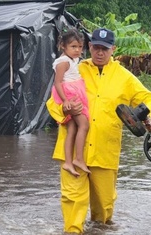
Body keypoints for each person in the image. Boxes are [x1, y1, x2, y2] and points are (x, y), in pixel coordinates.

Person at [46, 27, 151, 234]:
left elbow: (148, 99)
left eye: (105, 49)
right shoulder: (75, 68)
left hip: (105, 151)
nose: (100, 53)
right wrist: (63, 108)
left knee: (104, 209)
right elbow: (53, 98)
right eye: (96, 48)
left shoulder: (124, 77)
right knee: (73, 199)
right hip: (73, 152)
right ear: (89, 47)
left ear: (113, 49)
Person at [51, 28, 91, 177]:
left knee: (73, 128)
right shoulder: (63, 62)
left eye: (80, 47)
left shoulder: (73, 60)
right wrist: (66, 100)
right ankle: (79, 158)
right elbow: (57, 82)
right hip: (68, 94)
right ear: (63, 46)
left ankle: (68, 162)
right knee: (84, 124)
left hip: (73, 92)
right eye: (73, 46)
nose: (78, 50)